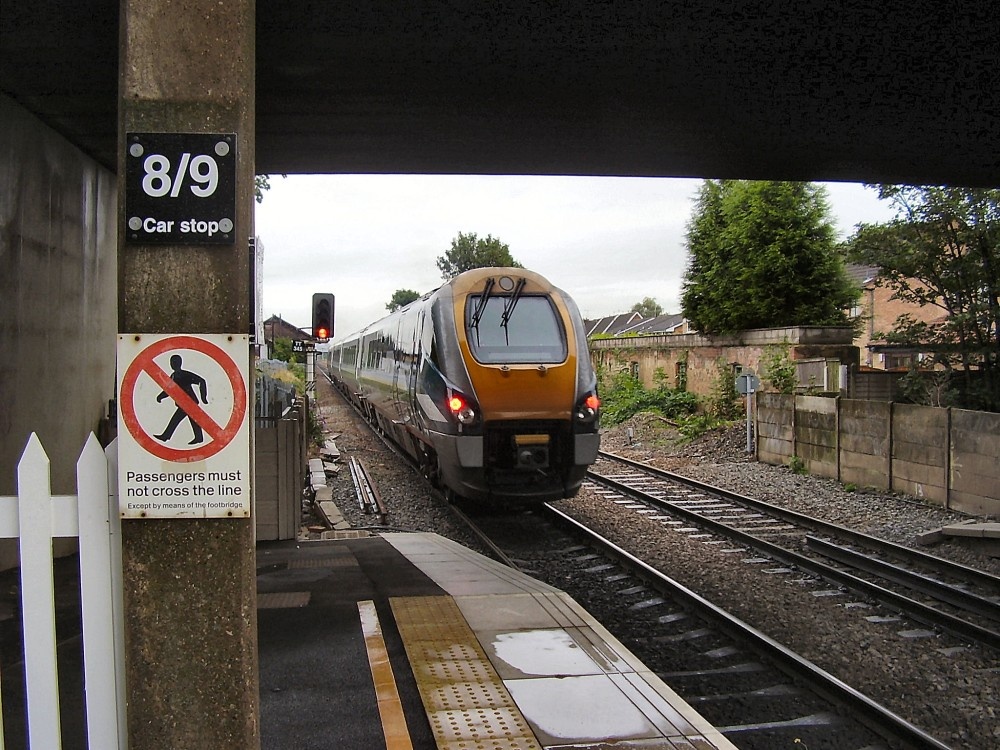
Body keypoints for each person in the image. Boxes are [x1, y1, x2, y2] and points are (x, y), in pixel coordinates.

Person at [154, 354, 209, 444]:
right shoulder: (173, 375)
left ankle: (166, 436)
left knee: (176, 419)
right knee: (193, 420)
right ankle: (199, 437)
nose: (173, 364)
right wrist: (160, 397)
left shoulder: (184, 374)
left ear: (180, 363)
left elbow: (201, 381)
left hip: (189, 402)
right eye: (172, 362)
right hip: (183, 403)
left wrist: (204, 397)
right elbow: (169, 389)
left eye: (175, 362)